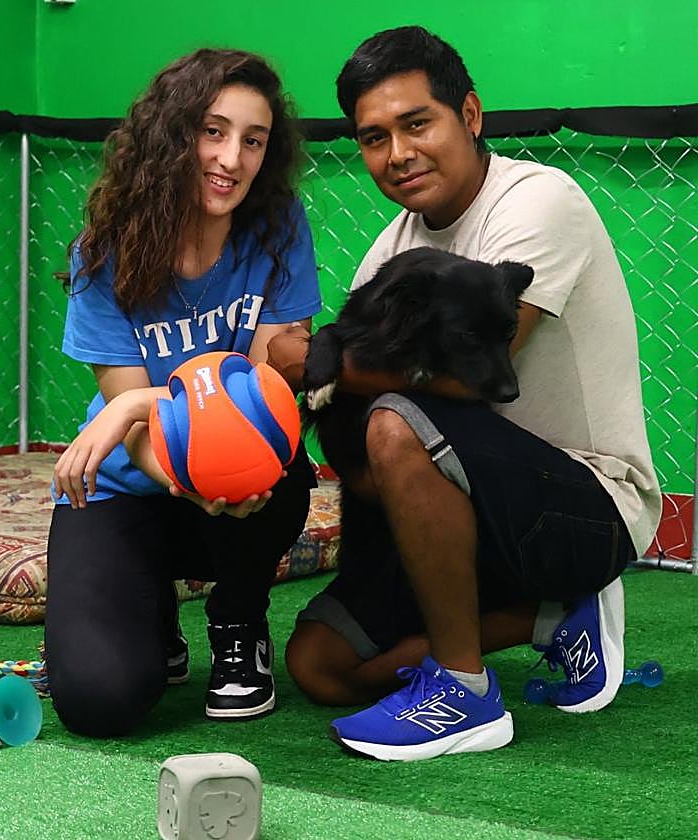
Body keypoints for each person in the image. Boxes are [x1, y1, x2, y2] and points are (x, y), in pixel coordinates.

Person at [268, 26, 661, 760]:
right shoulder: (393, 249)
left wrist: (308, 360)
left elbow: (467, 377)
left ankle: (464, 691)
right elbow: (349, 383)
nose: (398, 154)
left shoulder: (538, 203)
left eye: (417, 123)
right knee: (321, 665)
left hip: (582, 504)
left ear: (471, 116)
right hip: (457, 515)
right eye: (374, 137)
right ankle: (546, 618)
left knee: (399, 421)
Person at [46, 48, 323, 737]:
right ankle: (150, 613)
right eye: (213, 131)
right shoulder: (104, 251)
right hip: (129, 481)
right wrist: (143, 416)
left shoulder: (278, 228)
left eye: (252, 140)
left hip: (235, 478)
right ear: (173, 134)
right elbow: (129, 419)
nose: (231, 158)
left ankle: (237, 619)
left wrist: (145, 407)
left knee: (282, 465)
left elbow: (269, 389)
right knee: (99, 700)